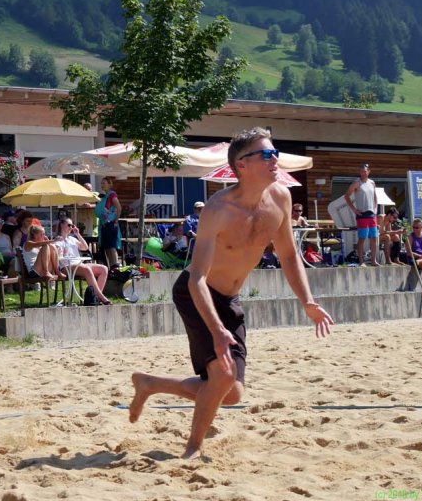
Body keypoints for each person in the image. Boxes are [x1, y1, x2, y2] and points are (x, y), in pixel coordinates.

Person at [128, 127, 334, 460]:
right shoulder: (218, 209)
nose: (275, 160)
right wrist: (217, 330)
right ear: (242, 164)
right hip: (199, 294)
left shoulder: (281, 198)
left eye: (275, 153)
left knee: (232, 392)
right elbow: (197, 279)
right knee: (222, 375)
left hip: (230, 300)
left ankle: (151, 385)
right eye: (266, 155)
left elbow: (288, 255)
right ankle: (193, 448)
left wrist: (307, 301)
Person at [54, 218, 111, 304]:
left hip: (78, 264)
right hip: (66, 266)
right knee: (86, 269)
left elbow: (85, 247)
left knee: (104, 269)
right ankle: (101, 297)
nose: (71, 227)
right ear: (61, 225)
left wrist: (78, 234)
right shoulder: (58, 240)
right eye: (69, 225)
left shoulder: (72, 239)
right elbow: (58, 256)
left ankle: (95, 298)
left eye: (72, 225)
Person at [344, 163, 380, 266]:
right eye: (361, 171)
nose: (363, 173)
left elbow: (375, 196)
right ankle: (361, 261)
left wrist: (375, 209)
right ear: (359, 172)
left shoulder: (372, 183)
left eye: (365, 171)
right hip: (362, 214)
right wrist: (354, 210)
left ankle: (373, 260)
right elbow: (346, 196)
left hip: (372, 214)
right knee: (362, 238)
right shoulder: (356, 183)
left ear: (368, 171)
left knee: (373, 238)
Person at [96, 177, 122, 268]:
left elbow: (118, 207)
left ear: (109, 184)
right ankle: (111, 267)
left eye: (104, 183)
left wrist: (116, 220)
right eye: (101, 183)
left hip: (110, 223)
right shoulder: (105, 196)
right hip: (104, 224)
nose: (102, 185)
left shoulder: (112, 195)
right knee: (107, 247)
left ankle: (116, 266)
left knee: (111, 246)